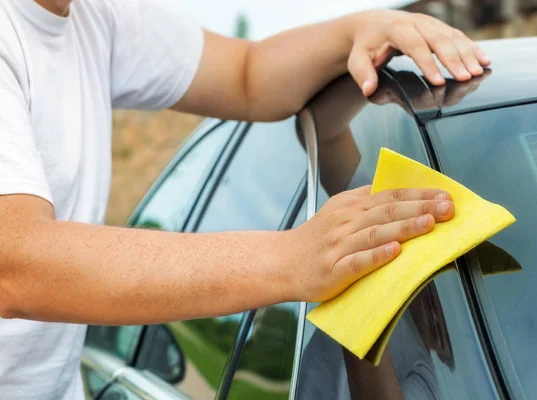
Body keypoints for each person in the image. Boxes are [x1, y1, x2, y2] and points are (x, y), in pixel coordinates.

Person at [0, 0, 489, 398]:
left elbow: (247, 76)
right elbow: (16, 264)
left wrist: (365, 28)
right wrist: (292, 257)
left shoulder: (94, 16)